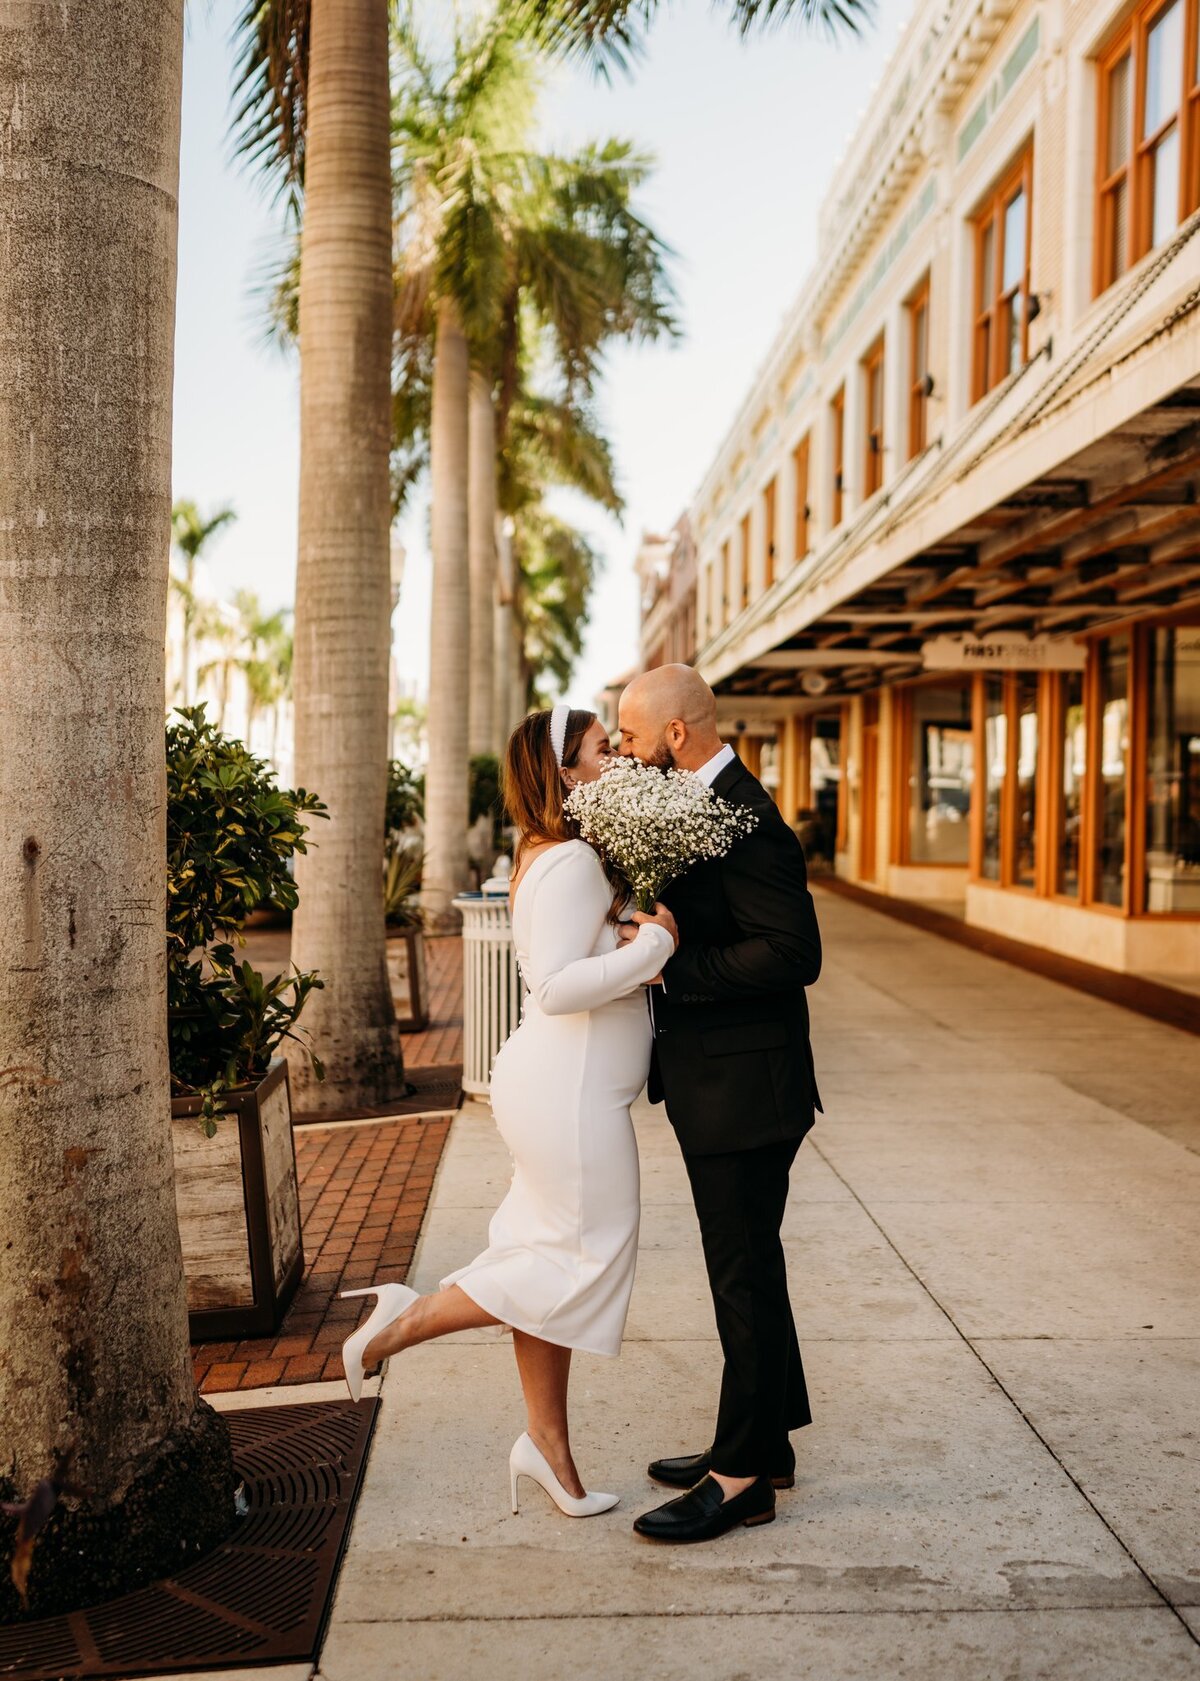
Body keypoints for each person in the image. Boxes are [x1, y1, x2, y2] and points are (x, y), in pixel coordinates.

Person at [340, 705, 678, 1519]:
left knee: (550, 1256)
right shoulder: (568, 863)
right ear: (566, 771)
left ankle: (548, 1449)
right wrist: (654, 946)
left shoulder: (562, 854)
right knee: (582, 1258)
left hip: (562, 1089)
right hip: (566, 1095)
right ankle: (401, 1320)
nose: (617, 760)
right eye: (604, 750)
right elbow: (557, 986)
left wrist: (629, 934)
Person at [616, 663, 823, 1545]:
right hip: (727, 1084)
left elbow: (792, 952)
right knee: (753, 1267)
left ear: (675, 735)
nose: (623, 749)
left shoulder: (745, 816)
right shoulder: (700, 801)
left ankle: (740, 1479)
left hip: (748, 1089)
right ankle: (763, 1442)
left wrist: (674, 967)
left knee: (740, 1274)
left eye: (630, 735)